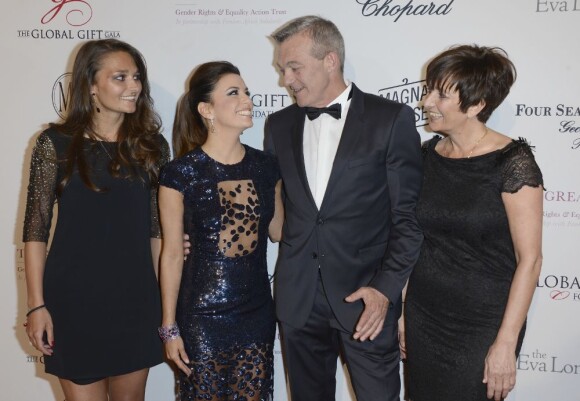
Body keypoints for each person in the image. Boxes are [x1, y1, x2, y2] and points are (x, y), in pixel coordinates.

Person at [264, 16, 423, 401]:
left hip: (365, 300)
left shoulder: (390, 120)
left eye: (294, 67)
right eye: (282, 68)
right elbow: (267, 205)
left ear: (330, 60)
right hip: (298, 299)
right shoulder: (278, 125)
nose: (286, 79)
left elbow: (409, 220)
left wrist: (385, 290)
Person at [22, 39, 169, 400]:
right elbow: (35, 232)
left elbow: (157, 232)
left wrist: (166, 308)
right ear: (90, 84)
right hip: (72, 301)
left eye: (136, 77)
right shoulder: (54, 144)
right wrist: (37, 305)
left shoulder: (152, 147)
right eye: (120, 77)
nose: (133, 86)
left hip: (135, 302)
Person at [402, 45, 543, 401]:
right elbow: (411, 240)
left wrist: (505, 342)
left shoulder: (513, 162)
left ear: (477, 104)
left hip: (484, 322)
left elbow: (530, 260)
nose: (426, 102)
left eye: (440, 94)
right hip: (424, 313)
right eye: (428, 90)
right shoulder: (425, 156)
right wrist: (401, 312)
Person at [158, 61, 284, 401]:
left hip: (256, 312)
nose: (247, 99)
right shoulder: (180, 173)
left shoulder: (267, 166)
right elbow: (171, 254)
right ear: (206, 109)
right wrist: (170, 328)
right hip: (201, 316)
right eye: (233, 93)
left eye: (246, 92)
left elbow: (279, 231)